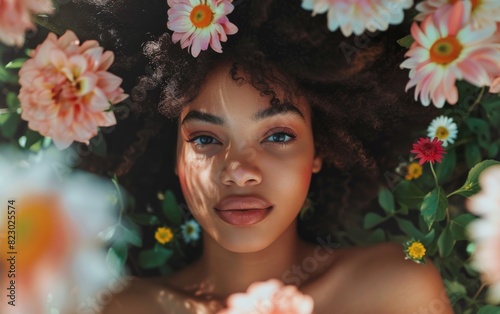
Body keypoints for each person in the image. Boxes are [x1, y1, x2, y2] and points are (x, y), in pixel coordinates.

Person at [102, 0, 453, 313]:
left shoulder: (394, 291)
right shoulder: (125, 307)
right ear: (175, 156)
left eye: (279, 136)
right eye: (206, 138)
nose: (240, 172)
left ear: (319, 148)